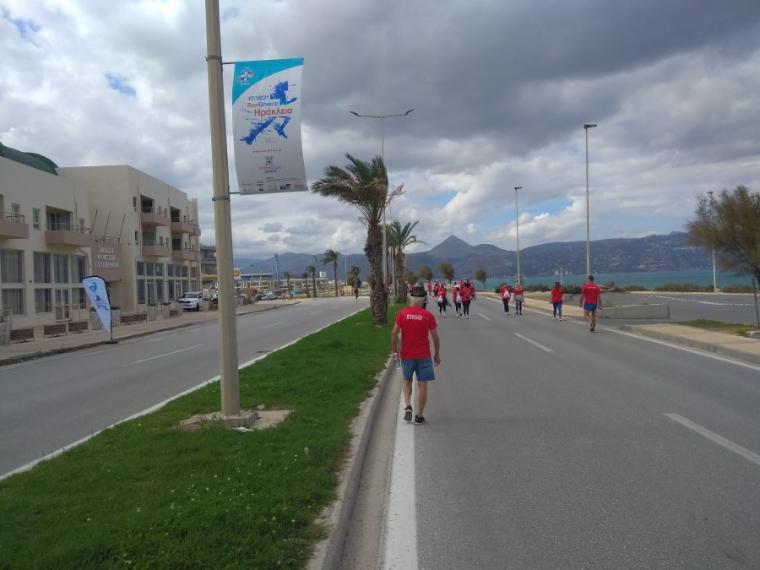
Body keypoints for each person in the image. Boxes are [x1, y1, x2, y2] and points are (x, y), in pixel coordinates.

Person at [391, 285, 441, 424]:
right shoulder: (428, 315)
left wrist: (394, 351)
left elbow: (394, 333)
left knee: (407, 380)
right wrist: (437, 354)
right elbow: (436, 338)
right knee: (422, 384)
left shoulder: (402, 313)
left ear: (411, 298)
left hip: (407, 355)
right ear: (424, 299)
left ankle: (408, 406)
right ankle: (419, 415)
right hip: (424, 355)